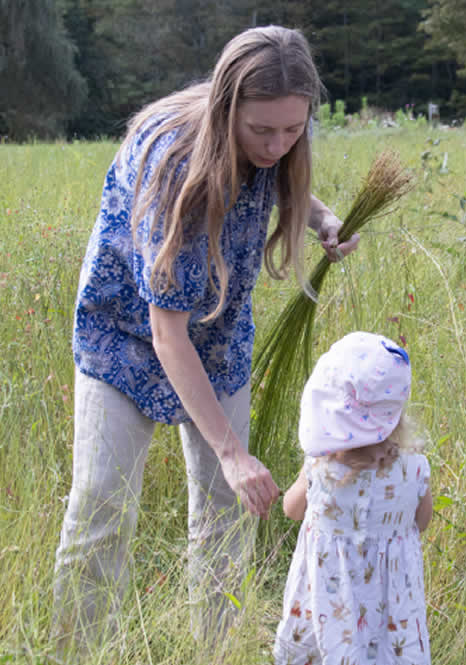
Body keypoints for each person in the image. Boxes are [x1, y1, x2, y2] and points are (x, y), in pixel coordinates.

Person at [50, 24, 359, 662]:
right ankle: (73, 653)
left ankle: (213, 652)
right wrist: (230, 449)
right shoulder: (174, 167)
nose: (277, 145)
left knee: (225, 514)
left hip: (216, 340)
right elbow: (166, 334)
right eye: (261, 131)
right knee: (102, 511)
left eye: (293, 129)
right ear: (227, 110)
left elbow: (276, 178)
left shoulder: (274, 140)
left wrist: (322, 218)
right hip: (126, 342)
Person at [274, 331, 433, 665]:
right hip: (391, 613)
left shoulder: (320, 470)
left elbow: (291, 509)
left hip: (328, 612)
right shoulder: (415, 469)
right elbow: (422, 521)